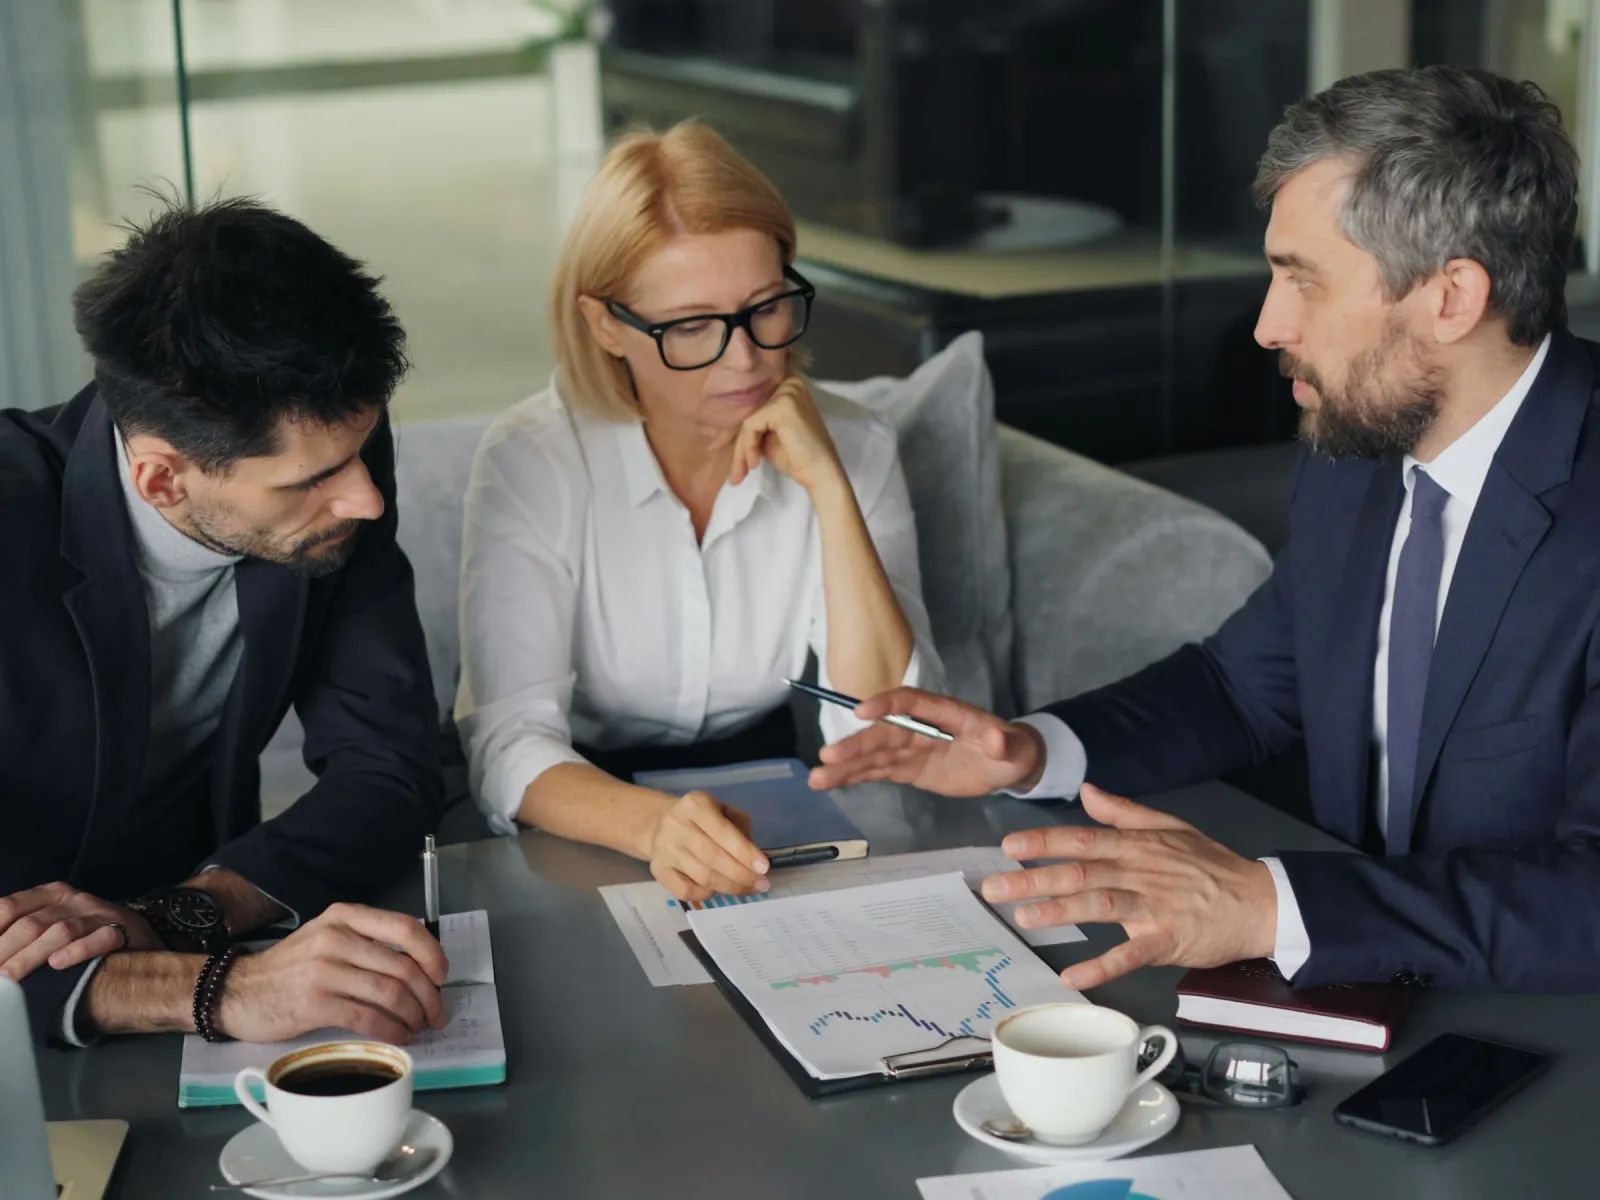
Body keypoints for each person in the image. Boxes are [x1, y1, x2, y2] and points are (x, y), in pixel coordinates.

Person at [811, 66, 1600, 993]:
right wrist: (1029, 751)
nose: (1268, 325)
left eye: (1302, 282)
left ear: (1452, 298)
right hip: (1371, 1001)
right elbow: (1244, 687)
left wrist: (1267, 906)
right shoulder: (1361, 452)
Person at [0, 198, 450, 1047]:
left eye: (361, 450)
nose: (366, 498)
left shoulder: (333, 461)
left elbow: (387, 771)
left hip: (204, 959)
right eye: (310, 480)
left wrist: (185, 918)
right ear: (163, 478)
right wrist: (221, 991)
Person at [456, 122, 942, 903]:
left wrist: (831, 491)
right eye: (690, 327)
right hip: (588, 811)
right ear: (606, 324)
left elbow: (880, 732)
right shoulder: (532, 462)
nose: (746, 359)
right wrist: (654, 827)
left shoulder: (854, 443)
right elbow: (509, 744)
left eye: (766, 308)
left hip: (778, 796)